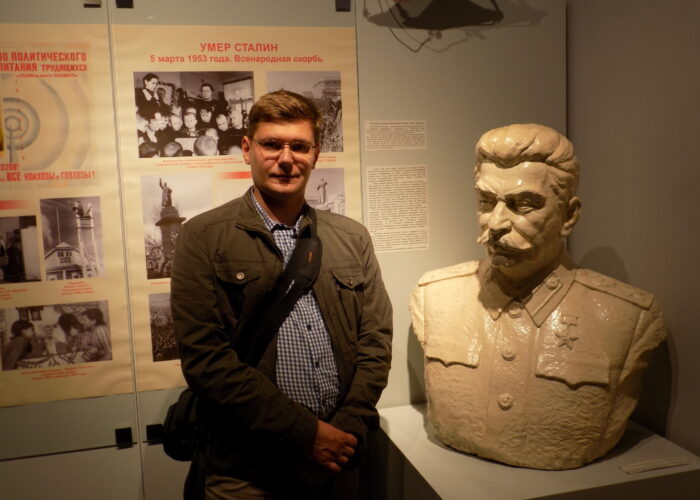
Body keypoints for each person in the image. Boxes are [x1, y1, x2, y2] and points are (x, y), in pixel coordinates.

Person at [171, 90, 393, 499]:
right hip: (248, 471)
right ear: (247, 149)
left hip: (337, 461)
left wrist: (345, 429)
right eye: (272, 144)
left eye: (299, 146)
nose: (286, 158)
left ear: (316, 154)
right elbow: (206, 361)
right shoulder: (203, 237)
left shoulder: (351, 237)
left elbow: (375, 341)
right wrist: (307, 435)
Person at [409, 123, 667, 470]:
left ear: (568, 216)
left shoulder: (629, 317)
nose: (496, 223)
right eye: (486, 202)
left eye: (523, 205)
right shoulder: (435, 295)